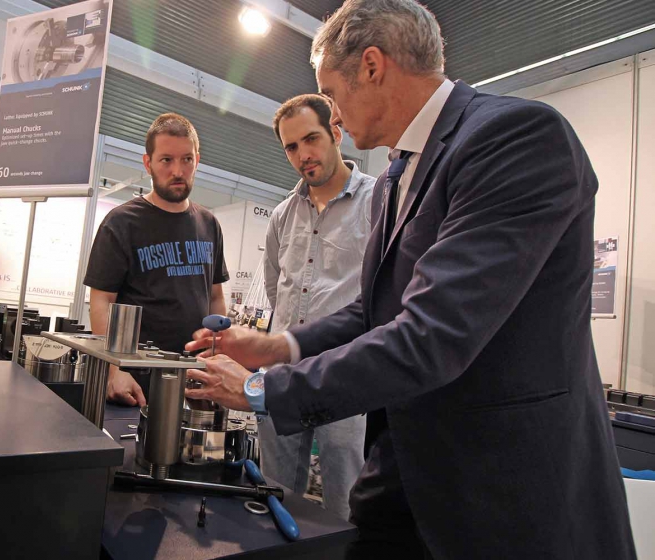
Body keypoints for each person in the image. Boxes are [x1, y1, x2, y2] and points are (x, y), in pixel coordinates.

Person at [184, 1, 636, 558]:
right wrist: (281, 345)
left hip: (499, 490)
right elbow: (379, 308)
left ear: (372, 66)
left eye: (331, 93)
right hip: (407, 474)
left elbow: (431, 335)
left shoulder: (514, 137)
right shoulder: (401, 170)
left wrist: (259, 389)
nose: (335, 115)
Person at [261, 94, 374, 521]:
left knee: (346, 501)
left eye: (311, 139)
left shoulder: (377, 202)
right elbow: (277, 290)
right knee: (275, 496)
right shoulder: (282, 215)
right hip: (285, 377)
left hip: (345, 376)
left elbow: (381, 297)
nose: (303, 155)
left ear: (336, 133)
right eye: (291, 147)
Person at [84, 113, 228, 406]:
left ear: (197, 161)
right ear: (148, 163)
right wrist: (115, 368)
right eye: (166, 160)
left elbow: (215, 298)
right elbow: (101, 301)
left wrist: (219, 356)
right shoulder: (122, 222)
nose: (178, 170)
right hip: (136, 380)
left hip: (193, 379)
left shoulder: (209, 224)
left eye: (187, 159)